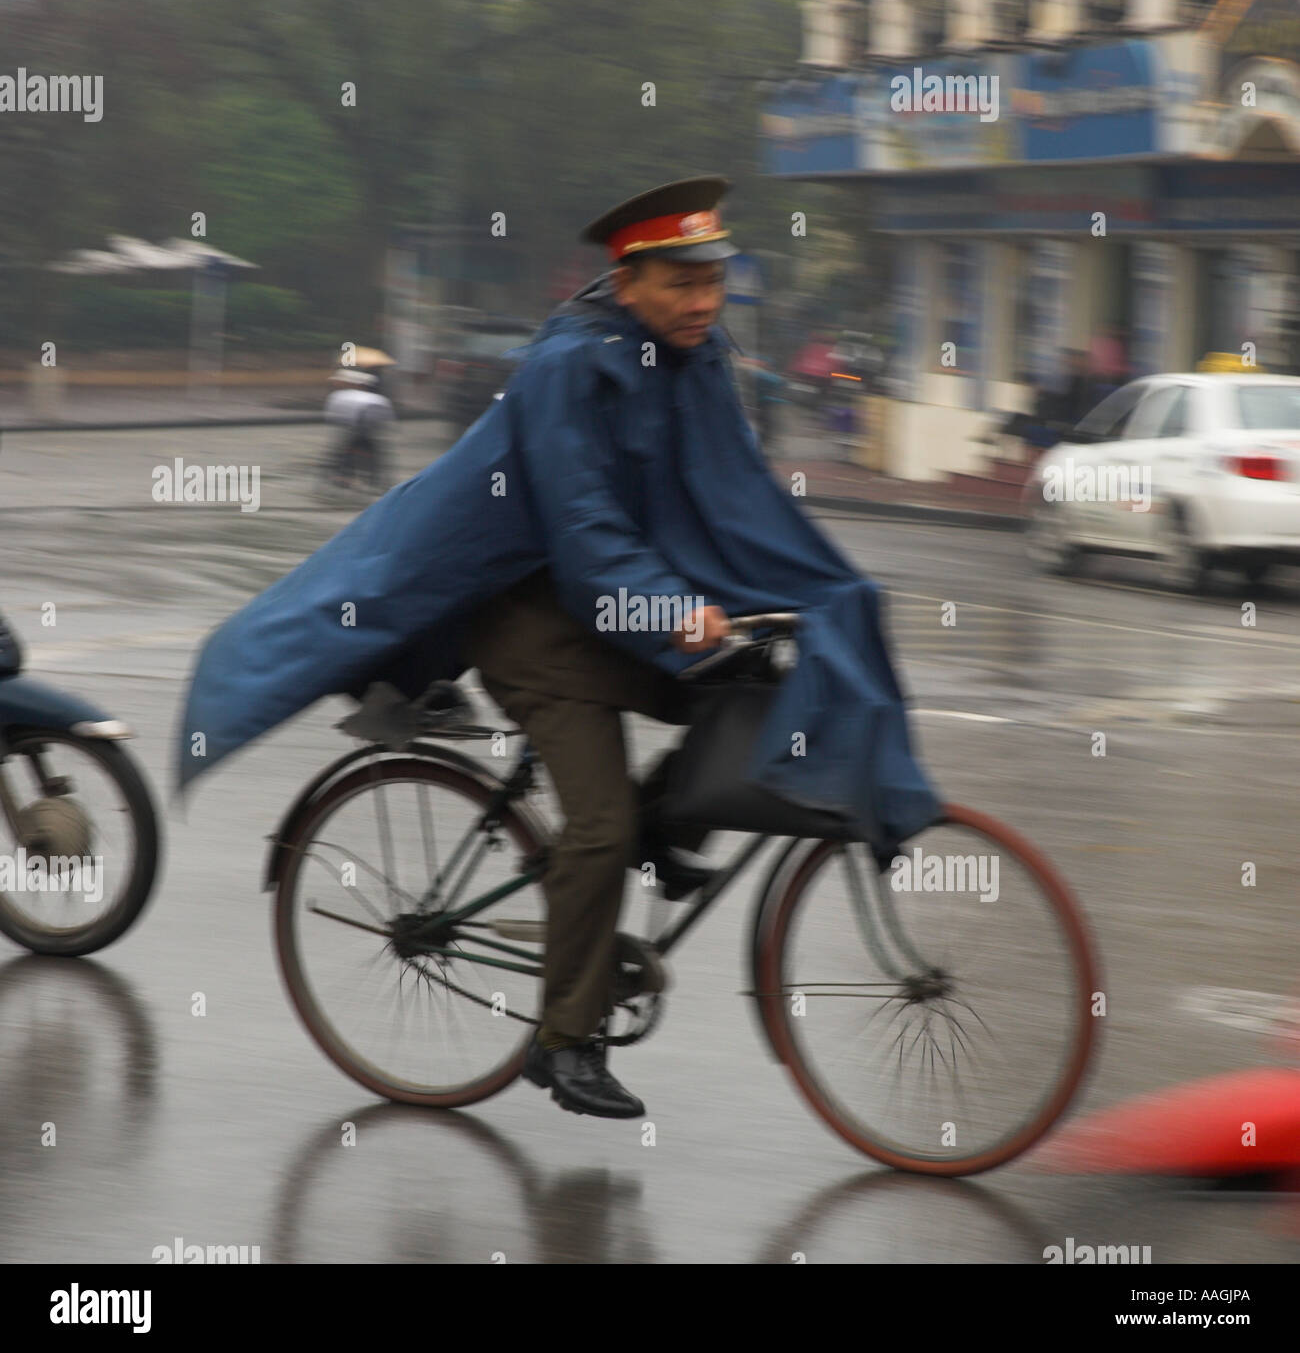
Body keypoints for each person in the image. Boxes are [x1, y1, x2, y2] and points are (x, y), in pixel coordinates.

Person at [177, 175, 943, 1125]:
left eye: (715, 280)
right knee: (598, 827)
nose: (705, 301)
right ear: (627, 283)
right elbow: (584, 535)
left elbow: (737, 495)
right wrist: (672, 612)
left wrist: (813, 590)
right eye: (681, 283)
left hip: (623, 606)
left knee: (752, 683)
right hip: (535, 621)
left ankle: (663, 826)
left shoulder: (694, 354)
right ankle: (563, 1038)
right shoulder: (565, 370)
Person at [323, 368, 394, 490]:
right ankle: (372, 478)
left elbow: (333, 416)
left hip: (359, 425)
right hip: (364, 425)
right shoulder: (375, 398)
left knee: (350, 450)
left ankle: (345, 476)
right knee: (367, 451)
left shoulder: (343, 395)